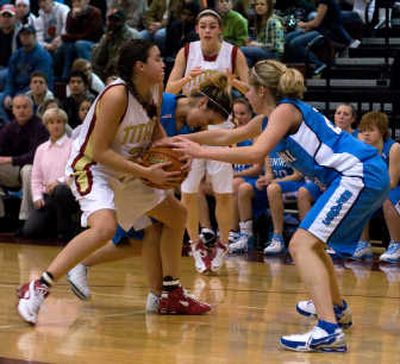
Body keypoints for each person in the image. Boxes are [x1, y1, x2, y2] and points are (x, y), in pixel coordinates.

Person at [173, 59, 389, 352]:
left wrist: (199, 151)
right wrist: (179, 139)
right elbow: (228, 135)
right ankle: (335, 310)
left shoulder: (285, 111)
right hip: (360, 174)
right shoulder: (271, 118)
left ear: (261, 90)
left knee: (300, 245)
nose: (245, 94)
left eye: (249, 88)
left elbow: (256, 153)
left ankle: (328, 330)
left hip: (357, 174)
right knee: (310, 243)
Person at [16, 39, 211, 326]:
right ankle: (39, 286)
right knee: (105, 227)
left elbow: (154, 130)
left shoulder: (155, 88)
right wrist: (148, 173)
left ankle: (171, 293)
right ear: (139, 66)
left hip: (128, 168)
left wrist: (178, 154)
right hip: (93, 166)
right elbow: (100, 151)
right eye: (157, 59)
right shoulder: (116, 95)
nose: (163, 63)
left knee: (177, 215)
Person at [67, 75, 235, 300]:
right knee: (141, 237)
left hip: (140, 181)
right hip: (113, 174)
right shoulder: (159, 103)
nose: (203, 125)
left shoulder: (183, 126)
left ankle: (161, 293)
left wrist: (186, 161)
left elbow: (174, 153)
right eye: (208, 119)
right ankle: (160, 291)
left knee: (144, 240)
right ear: (202, 104)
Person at [166, 9, 249, 274]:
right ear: (198, 29)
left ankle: (222, 245)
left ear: (220, 29)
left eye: (212, 26)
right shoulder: (187, 52)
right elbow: (169, 90)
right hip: (193, 124)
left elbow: (250, 90)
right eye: (203, 26)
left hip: (221, 126)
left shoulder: (234, 53)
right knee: (189, 193)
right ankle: (195, 245)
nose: (208, 30)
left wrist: (234, 81)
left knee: (223, 193)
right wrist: (189, 79)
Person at [22, 108, 79, 241]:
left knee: (60, 191)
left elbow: (76, 172)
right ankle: (55, 224)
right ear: (46, 125)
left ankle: (64, 231)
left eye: (59, 121)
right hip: (48, 196)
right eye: (51, 122)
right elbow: (36, 177)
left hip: (68, 193)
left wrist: (59, 181)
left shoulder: (73, 146)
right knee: (30, 231)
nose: (55, 125)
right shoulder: (41, 149)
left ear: (64, 124)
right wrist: (37, 196)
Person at [352, 111, 400, 263]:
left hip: (395, 191)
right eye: (363, 130)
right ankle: (363, 243)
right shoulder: (362, 151)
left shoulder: (394, 148)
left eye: (371, 130)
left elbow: (392, 182)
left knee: (387, 198)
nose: (366, 134)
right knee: (358, 194)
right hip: (379, 190)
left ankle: (396, 244)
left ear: (382, 131)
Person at [0, 94, 49, 222]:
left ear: (32, 109)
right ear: (13, 110)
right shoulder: (8, 128)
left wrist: (11, 160)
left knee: (28, 170)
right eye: (18, 107)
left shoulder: (41, 127)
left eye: (25, 107)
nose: (21, 110)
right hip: (15, 170)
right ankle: (1, 215)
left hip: (37, 171)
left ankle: (25, 218)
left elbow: (35, 156)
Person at [0, 24, 53, 124]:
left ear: (34, 36)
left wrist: (19, 96)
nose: (25, 37)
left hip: (35, 92)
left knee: (22, 101)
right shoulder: (16, 54)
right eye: (23, 35)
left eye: (28, 34)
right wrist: (8, 94)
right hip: (17, 89)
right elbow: (10, 79)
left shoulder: (43, 56)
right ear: (19, 37)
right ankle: (7, 126)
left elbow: (39, 83)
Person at [92, 8, 141, 82]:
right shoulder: (107, 36)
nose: (112, 23)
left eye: (116, 20)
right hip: (107, 73)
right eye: (110, 20)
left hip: (124, 74)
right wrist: (106, 41)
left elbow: (129, 61)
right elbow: (97, 60)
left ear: (123, 21)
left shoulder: (132, 36)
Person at [241, 0, 285, 67]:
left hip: (273, 54)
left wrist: (258, 45)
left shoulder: (274, 22)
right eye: (257, 4)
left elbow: (276, 46)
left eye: (262, 4)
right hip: (263, 51)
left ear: (268, 6)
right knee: (248, 58)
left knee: (240, 49)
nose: (259, 6)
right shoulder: (259, 20)